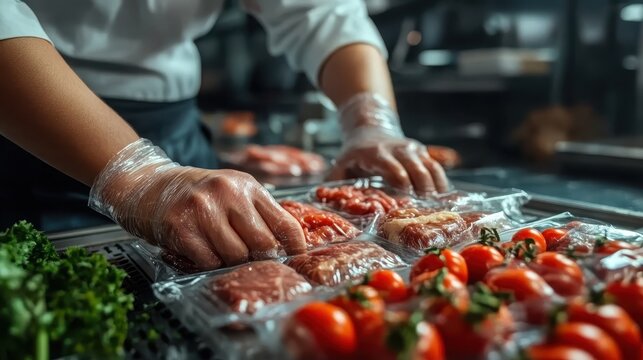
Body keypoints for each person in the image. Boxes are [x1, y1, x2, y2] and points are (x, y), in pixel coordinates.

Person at [0, 0, 449, 269]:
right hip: (26, 115)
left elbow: (318, 10)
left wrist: (370, 118)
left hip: (171, 126)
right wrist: (137, 177)